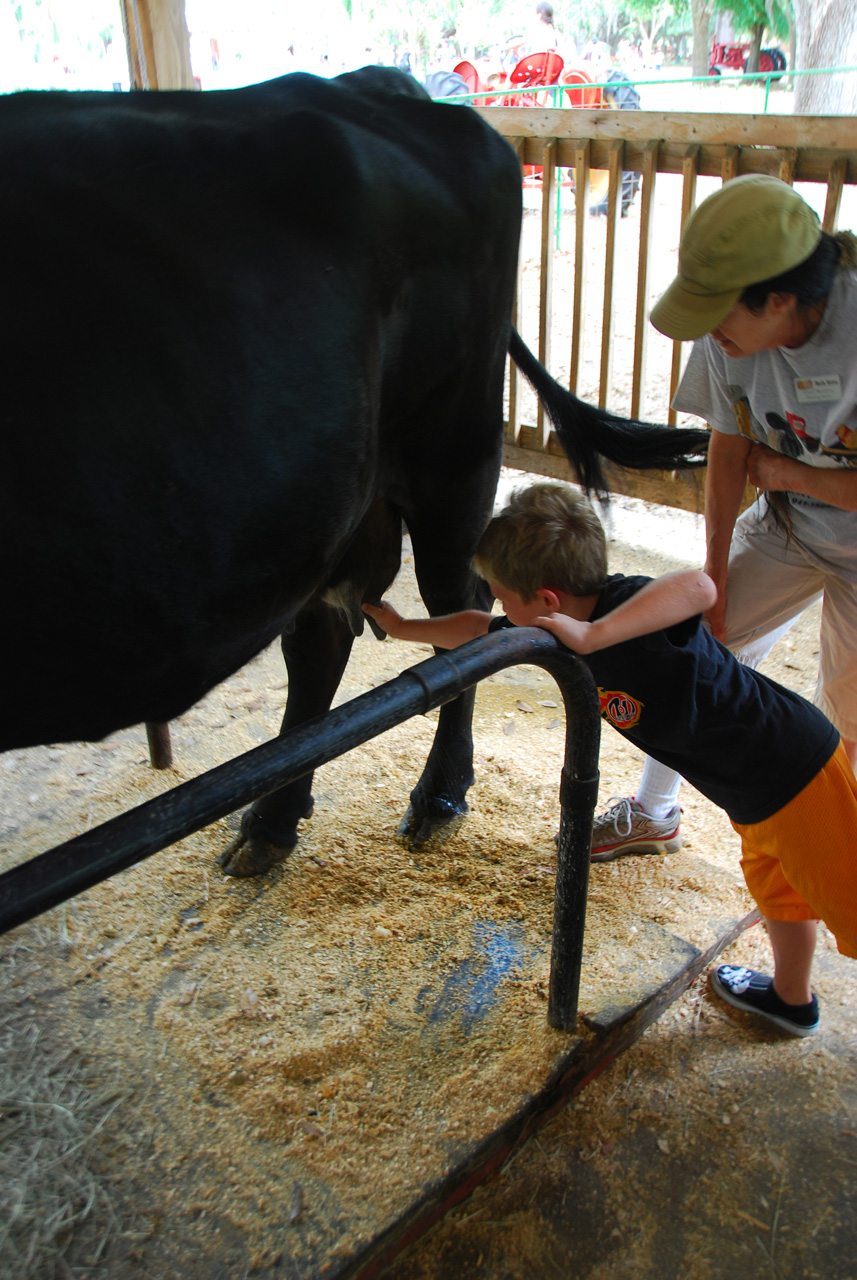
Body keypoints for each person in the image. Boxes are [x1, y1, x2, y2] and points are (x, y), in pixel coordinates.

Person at [363, 481, 857, 1037]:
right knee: (779, 891)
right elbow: (481, 630)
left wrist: (596, 635)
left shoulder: (627, 608)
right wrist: (404, 629)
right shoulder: (550, 627)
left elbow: (698, 586)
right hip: (751, 795)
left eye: (502, 595)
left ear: (547, 600)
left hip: (795, 772)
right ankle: (791, 1000)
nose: (498, 605)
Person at [589, 173, 857, 863]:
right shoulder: (728, 336)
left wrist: (789, 473)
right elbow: (730, 443)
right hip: (791, 525)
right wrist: (712, 575)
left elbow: (765, 463)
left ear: (779, 300)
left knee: (850, 708)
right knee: (692, 650)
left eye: (718, 312)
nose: (706, 330)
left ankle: (836, 851)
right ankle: (653, 813)